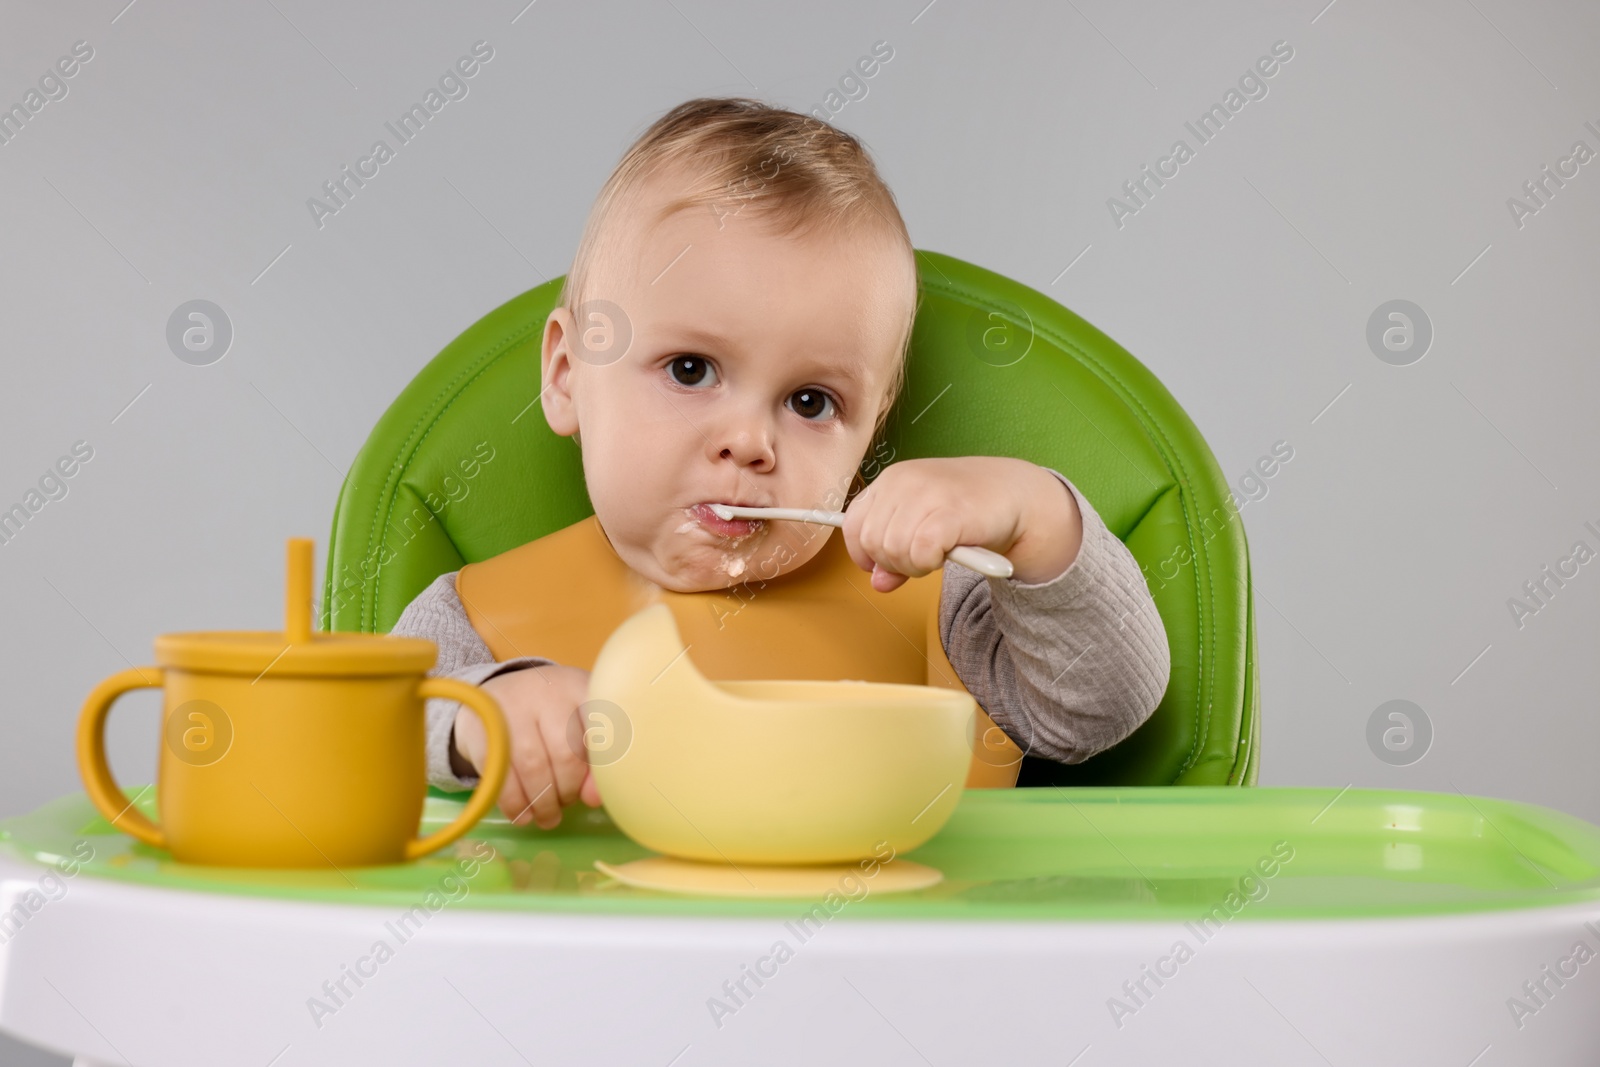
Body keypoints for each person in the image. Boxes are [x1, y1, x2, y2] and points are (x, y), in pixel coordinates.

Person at [390, 97, 1169, 830]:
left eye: (810, 402)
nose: (751, 443)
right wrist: (484, 717)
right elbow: (377, 724)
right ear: (567, 375)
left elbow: (1102, 705)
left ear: (872, 429)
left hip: (903, 960)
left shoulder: (941, 601)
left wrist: (1034, 517)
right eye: (690, 370)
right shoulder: (478, 618)